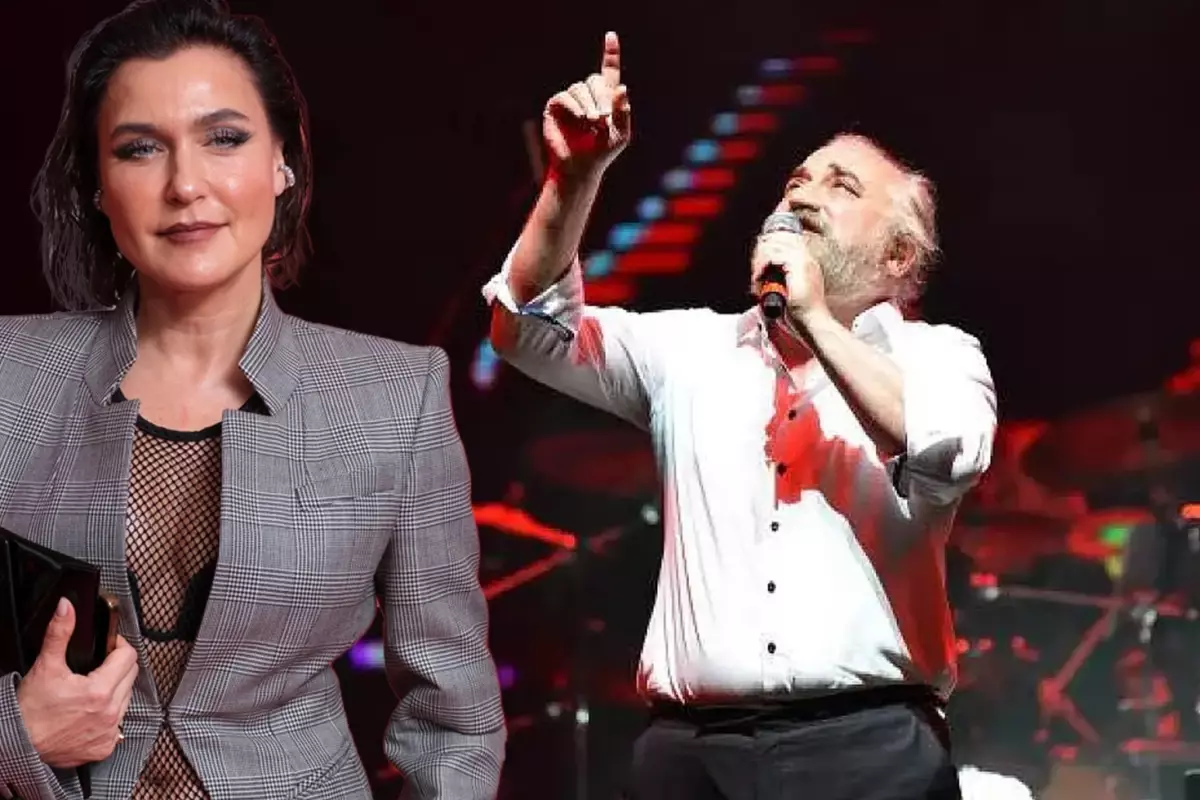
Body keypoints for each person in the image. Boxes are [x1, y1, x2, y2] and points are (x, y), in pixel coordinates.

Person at [0, 1, 505, 798]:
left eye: (224, 138)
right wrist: (14, 736)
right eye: (139, 149)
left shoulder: (396, 399)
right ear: (97, 185)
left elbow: (456, 721)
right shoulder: (10, 374)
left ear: (282, 162)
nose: (185, 185)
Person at [484, 31, 997, 800]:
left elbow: (948, 451)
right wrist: (574, 176)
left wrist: (814, 321)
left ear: (897, 258)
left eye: (841, 187)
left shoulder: (937, 356)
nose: (803, 196)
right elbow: (524, 329)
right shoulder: (692, 349)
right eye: (796, 181)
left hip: (868, 752)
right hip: (689, 756)